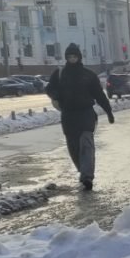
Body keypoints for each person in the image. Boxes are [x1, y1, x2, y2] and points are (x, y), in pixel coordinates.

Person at [45, 43, 114, 191]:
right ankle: (82, 170)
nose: (72, 59)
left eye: (74, 56)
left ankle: (87, 176)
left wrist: (108, 112)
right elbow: (49, 88)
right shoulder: (59, 74)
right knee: (74, 147)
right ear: (66, 58)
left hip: (86, 114)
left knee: (87, 145)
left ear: (79, 57)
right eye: (69, 56)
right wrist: (55, 94)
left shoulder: (88, 75)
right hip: (68, 116)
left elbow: (99, 95)